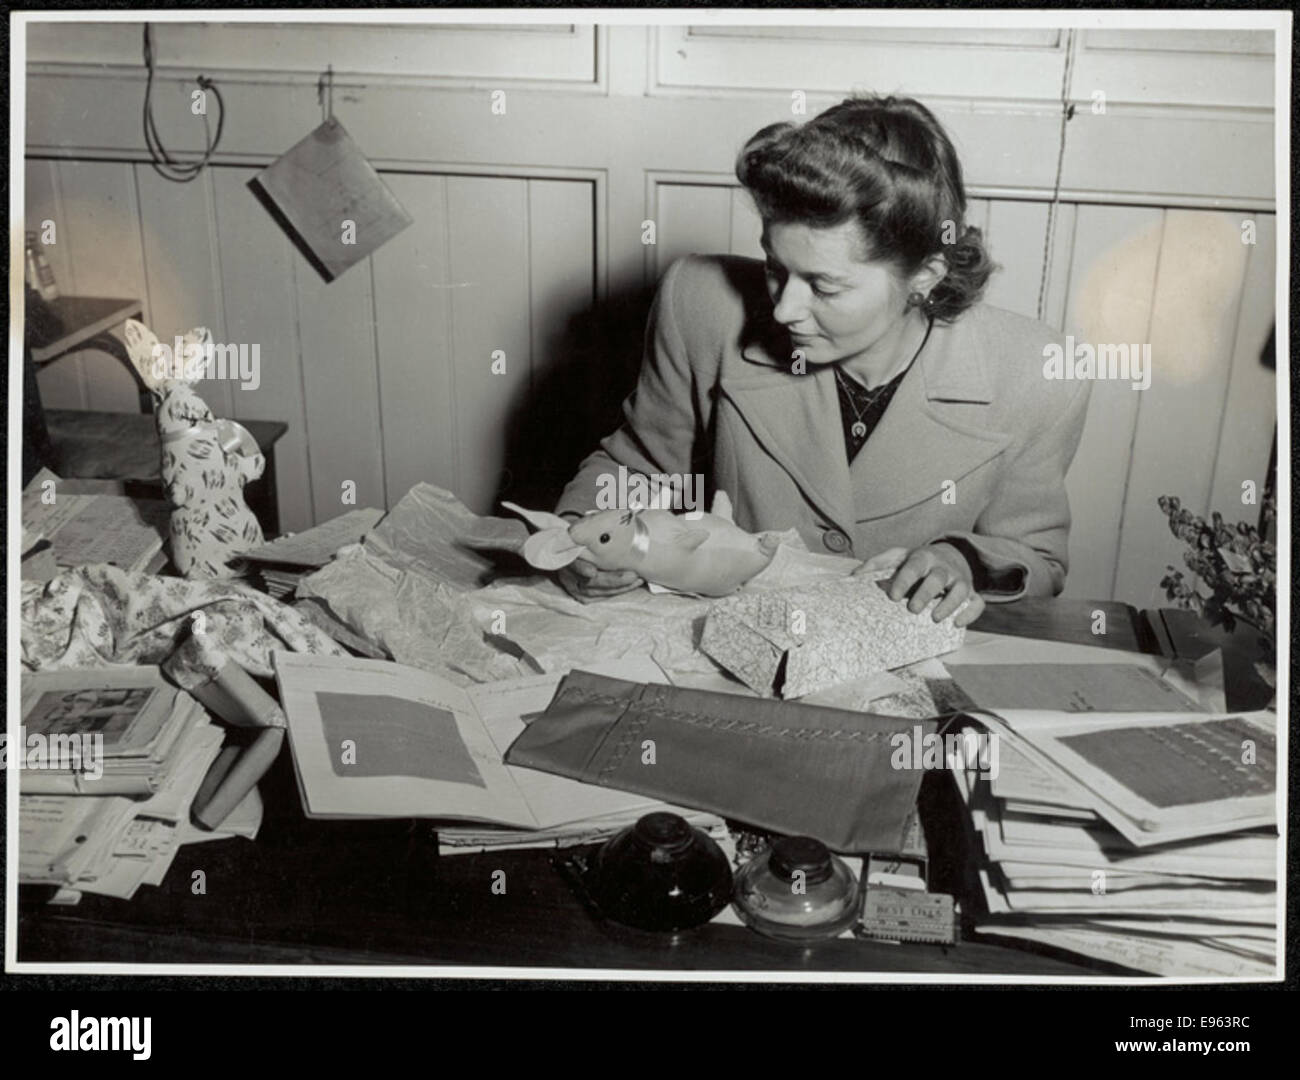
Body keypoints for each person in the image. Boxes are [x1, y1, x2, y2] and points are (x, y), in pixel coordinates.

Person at [554, 95, 1091, 626]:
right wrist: (577, 538)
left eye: (824, 285)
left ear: (925, 275)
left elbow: (1034, 558)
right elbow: (636, 470)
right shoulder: (700, 304)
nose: (784, 308)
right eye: (775, 266)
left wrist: (962, 561)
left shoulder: (1037, 375)